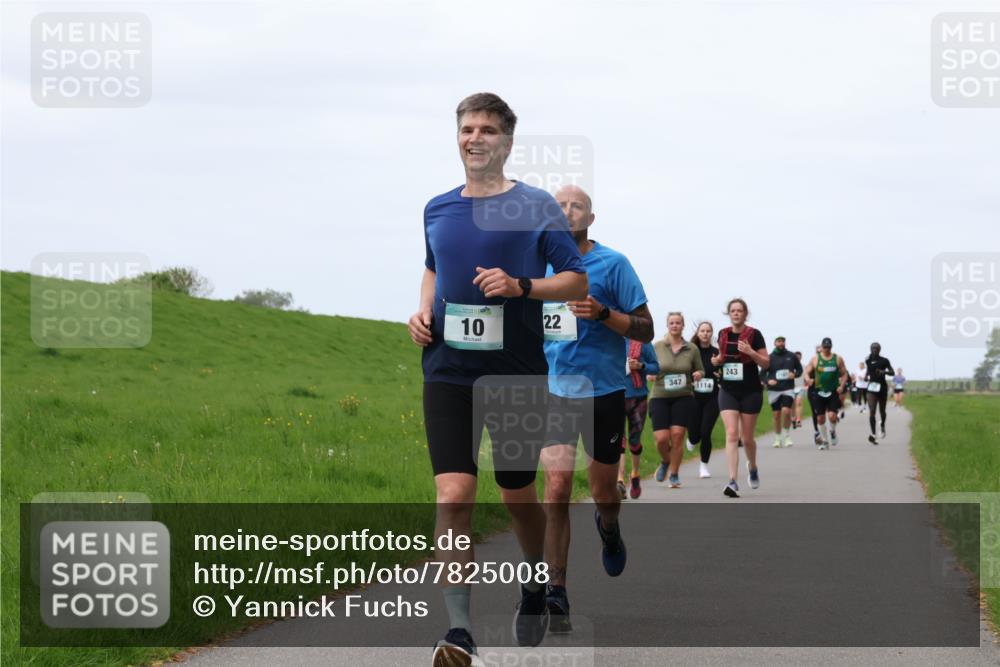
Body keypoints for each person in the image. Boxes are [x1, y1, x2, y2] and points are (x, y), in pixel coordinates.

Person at [409, 92, 589, 666]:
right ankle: (459, 631)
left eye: (488, 129)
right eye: (467, 128)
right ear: (457, 137)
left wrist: (521, 287)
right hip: (448, 371)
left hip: (515, 373)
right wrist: (421, 311)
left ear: (507, 142)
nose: (476, 138)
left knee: (516, 495)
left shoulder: (536, 206)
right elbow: (434, 266)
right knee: (454, 493)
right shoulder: (437, 207)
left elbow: (575, 282)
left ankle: (536, 582)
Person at [541, 184, 653, 635]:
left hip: (604, 391)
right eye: (560, 205)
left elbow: (645, 327)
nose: (568, 210)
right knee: (556, 487)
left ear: (591, 216)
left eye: (577, 205)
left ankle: (609, 526)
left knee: (605, 491)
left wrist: (605, 314)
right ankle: (557, 590)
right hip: (554, 391)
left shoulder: (613, 264)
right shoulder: (538, 264)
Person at [711, 298, 769, 498]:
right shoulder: (723, 334)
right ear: (729, 313)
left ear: (745, 314)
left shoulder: (755, 335)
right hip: (728, 390)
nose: (736, 313)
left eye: (740, 310)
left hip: (751, 391)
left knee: (747, 438)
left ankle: (752, 467)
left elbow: (766, 363)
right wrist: (716, 361)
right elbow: (720, 358)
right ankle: (733, 481)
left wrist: (751, 352)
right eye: (733, 310)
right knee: (732, 433)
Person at [650, 313, 704, 488]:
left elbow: (701, 370)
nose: (675, 325)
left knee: (678, 435)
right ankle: (666, 461)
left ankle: (674, 474)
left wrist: (698, 374)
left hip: (683, 396)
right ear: (667, 325)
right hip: (660, 396)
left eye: (678, 323)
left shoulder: (692, 349)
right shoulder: (657, 346)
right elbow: (649, 366)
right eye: (671, 323)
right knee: (661, 439)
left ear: (683, 326)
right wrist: (650, 373)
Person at [620, 339, 659, 499]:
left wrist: (641, 366)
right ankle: (620, 481)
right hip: (616, 395)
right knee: (618, 440)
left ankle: (635, 473)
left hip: (638, 398)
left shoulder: (643, 342)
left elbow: (656, 368)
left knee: (634, 441)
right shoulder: (610, 339)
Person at [688, 320, 721, 478]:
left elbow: (724, 372)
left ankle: (703, 466)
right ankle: (692, 439)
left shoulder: (717, 353)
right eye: (703, 331)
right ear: (698, 333)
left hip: (713, 398)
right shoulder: (691, 351)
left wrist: (720, 373)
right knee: (695, 435)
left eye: (708, 331)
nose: (705, 333)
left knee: (706, 432)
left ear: (711, 333)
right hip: (694, 397)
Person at [803, 337, 849, 450]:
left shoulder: (837, 359)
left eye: (829, 347)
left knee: (832, 416)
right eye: (825, 347)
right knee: (820, 418)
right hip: (818, 391)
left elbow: (844, 374)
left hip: (832, 391)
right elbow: (806, 371)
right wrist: (807, 379)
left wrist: (842, 386)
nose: (827, 349)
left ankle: (832, 431)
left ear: (831, 347)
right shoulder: (815, 359)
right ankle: (824, 441)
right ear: (822, 347)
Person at [765, 336, 803, 447]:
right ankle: (777, 438)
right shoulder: (769, 358)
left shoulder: (791, 356)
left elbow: (800, 370)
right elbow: (762, 374)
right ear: (774, 343)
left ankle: (787, 436)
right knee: (776, 415)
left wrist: (794, 374)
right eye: (778, 341)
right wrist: (768, 381)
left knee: (786, 411)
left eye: (783, 341)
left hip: (788, 389)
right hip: (774, 390)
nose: (781, 343)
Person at [864, 342, 895, 443]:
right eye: (873, 348)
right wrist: (866, 375)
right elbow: (869, 369)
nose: (875, 350)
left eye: (877, 348)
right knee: (872, 410)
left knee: (882, 411)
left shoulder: (884, 361)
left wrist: (884, 372)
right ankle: (873, 434)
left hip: (882, 387)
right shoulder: (868, 360)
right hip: (872, 387)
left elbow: (892, 372)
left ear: (879, 350)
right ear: (870, 349)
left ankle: (882, 426)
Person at [792, 351, 805, 429]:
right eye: (796, 357)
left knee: (799, 402)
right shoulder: (790, 367)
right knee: (792, 405)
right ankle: (793, 418)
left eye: (799, 357)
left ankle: (798, 419)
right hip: (791, 388)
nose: (798, 358)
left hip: (800, 387)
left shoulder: (803, 367)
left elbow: (806, 376)